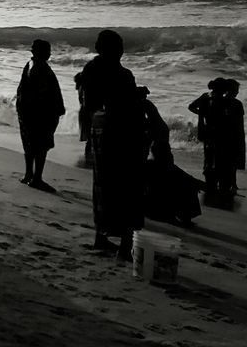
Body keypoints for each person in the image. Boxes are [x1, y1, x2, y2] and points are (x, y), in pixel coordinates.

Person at [78, 28, 145, 257]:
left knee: (103, 185)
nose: (122, 51)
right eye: (119, 47)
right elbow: (122, 103)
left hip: (99, 130)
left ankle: (101, 236)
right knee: (126, 188)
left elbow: (89, 103)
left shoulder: (91, 69)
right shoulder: (122, 74)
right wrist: (136, 96)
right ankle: (125, 245)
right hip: (121, 133)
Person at [140, 87, 201, 227]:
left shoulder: (150, 123)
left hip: (158, 159)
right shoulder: (153, 119)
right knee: (179, 180)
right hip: (159, 159)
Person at [15, 39, 65, 191]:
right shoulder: (40, 68)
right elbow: (44, 95)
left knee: (29, 145)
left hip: (27, 112)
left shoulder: (30, 66)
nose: (49, 54)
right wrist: (56, 109)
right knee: (40, 147)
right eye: (47, 51)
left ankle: (29, 174)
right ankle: (37, 178)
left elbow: (23, 91)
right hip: (40, 115)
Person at [190, 78, 246, 208]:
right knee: (223, 164)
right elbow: (234, 124)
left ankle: (213, 188)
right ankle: (222, 190)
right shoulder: (230, 103)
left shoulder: (207, 98)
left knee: (210, 162)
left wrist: (202, 115)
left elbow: (192, 107)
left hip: (210, 135)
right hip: (224, 136)